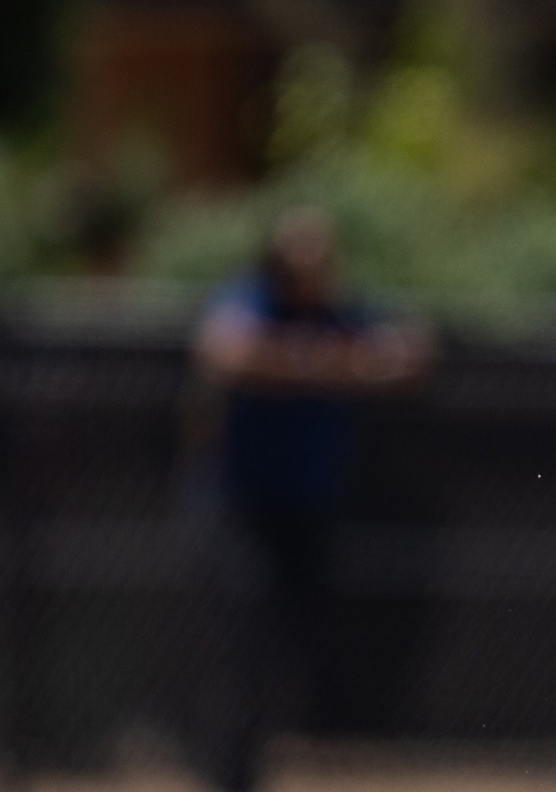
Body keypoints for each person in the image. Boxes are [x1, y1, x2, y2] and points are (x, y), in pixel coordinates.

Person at [184, 207, 430, 792]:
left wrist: (319, 362)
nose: (313, 272)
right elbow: (227, 352)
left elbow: (412, 349)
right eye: (300, 261)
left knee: (305, 657)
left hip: (310, 511)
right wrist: (329, 364)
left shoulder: (342, 312)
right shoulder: (249, 299)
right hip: (238, 508)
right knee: (244, 645)